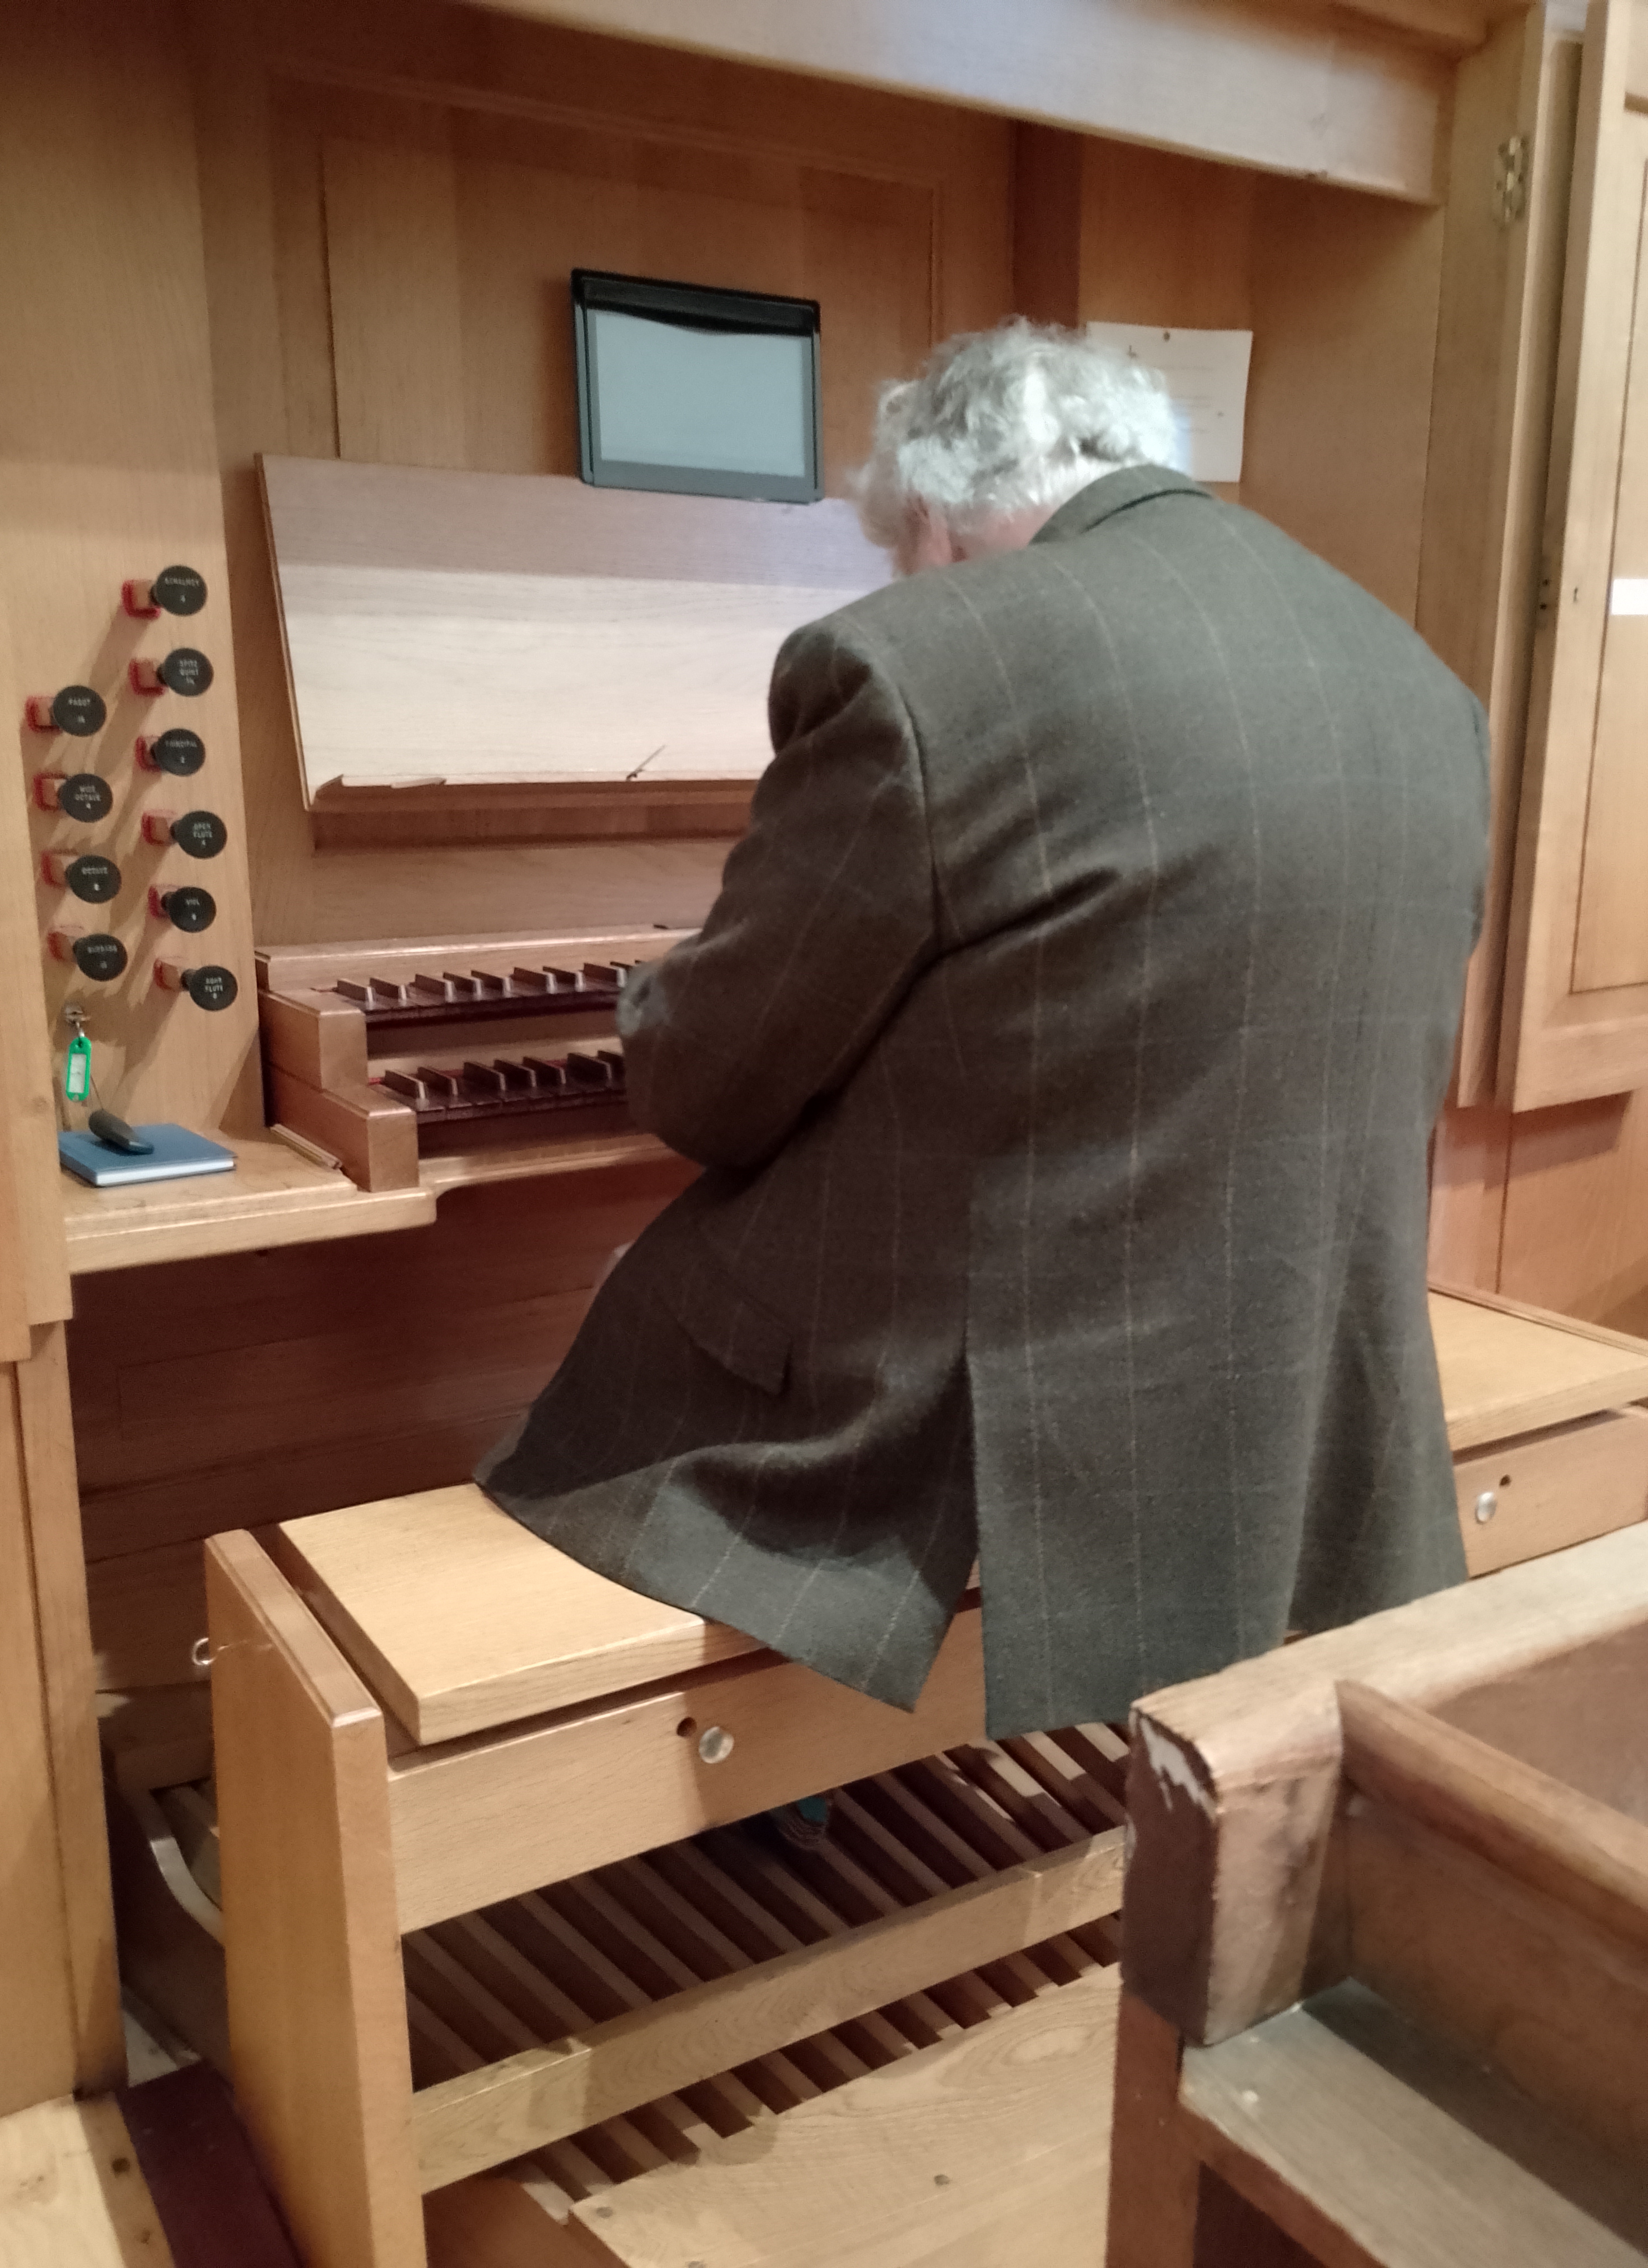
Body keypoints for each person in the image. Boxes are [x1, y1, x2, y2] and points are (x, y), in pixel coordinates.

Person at [477, 319, 1488, 1741]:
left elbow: (709, 1085)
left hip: (994, 1415)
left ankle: (768, 1776)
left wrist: (654, 995)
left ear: (939, 520)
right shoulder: (1414, 681)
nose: (909, 579)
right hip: (1301, 1383)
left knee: (618, 1326)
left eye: (904, 552)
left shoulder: (923, 665)